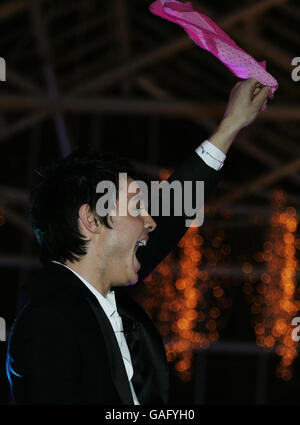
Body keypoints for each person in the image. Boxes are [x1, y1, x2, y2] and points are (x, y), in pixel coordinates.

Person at [6, 79, 270, 404]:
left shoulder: (98, 304)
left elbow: (173, 211)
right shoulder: (48, 322)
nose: (151, 221)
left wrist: (232, 124)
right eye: (137, 207)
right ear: (91, 220)